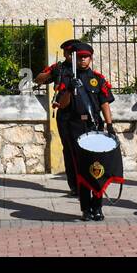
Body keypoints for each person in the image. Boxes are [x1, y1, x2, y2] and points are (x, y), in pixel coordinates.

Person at [53, 42, 116, 221]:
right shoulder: (67, 78)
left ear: (90, 58)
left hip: (94, 126)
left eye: (85, 57)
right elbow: (62, 105)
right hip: (75, 127)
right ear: (74, 59)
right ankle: (85, 208)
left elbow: (104, 103)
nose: (82, 60)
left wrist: (110, 125)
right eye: (79, 57)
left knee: (98, 168)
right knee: (81, 169)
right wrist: (69, 90)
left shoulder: (97, 78)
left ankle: (98, 207)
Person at [36, 39, 80, 196]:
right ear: (64, 53)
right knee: (68, 149)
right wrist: (50, 74)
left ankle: (86, 183)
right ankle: (74, 186)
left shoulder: (83, 67)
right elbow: (38, 79)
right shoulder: (59, 68)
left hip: (82, 114)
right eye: (68, 52)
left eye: (73, 52)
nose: (70, 55)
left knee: (82, 150)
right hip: (65, 114)